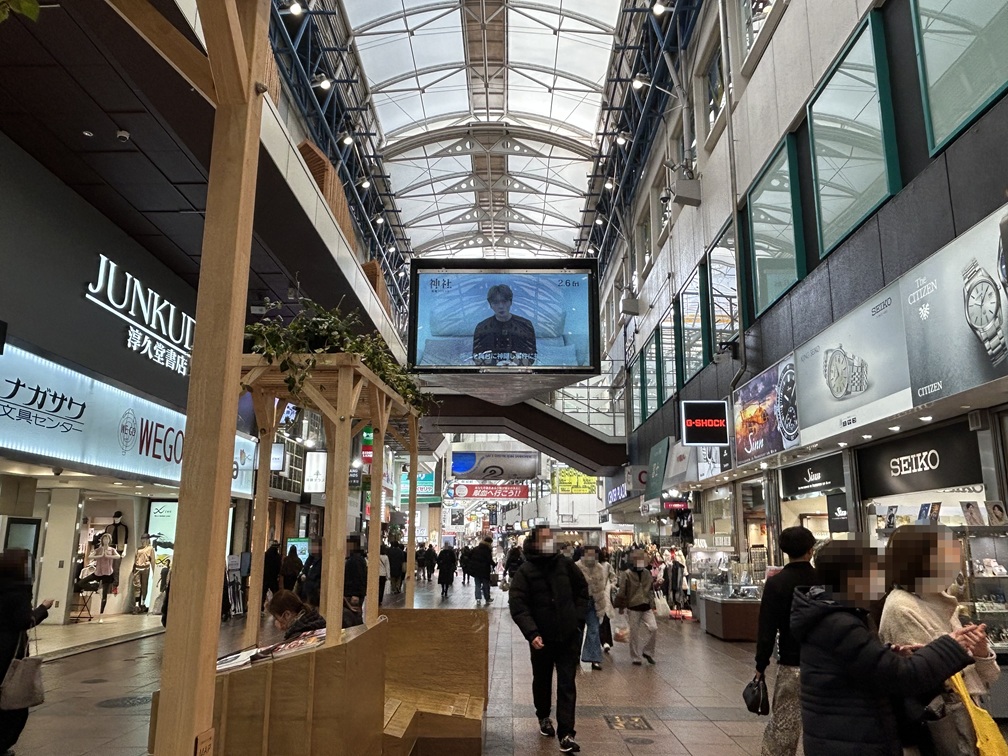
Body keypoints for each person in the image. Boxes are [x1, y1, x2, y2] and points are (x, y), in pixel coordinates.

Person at [791, 537, 985, 756]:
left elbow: (869, 666)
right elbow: (901, 676)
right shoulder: (842, 623)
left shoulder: (838, 615)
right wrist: (950, 646)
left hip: (848, 735)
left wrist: (890, 653)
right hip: (853, 739)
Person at [878, 525, 1003, 754]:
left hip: (968, 718)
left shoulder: (941, 601)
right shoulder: (902, 608)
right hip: (943, 727)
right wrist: (957, 653)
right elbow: (924, 681)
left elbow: (987, 677)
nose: (956, 563)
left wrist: (981, 652)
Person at [508, 527, 591, 754]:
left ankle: (567, 733)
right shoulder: (525, 571)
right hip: (541, 639)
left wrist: (578, 621)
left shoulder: (565, 565)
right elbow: (518, 605)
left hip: (567, 636)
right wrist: (532, 633)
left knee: (567, 683)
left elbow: (583, 591)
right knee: (542, 680)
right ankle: (543, 716)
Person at [754, 526, 817, 756]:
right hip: (824, 662)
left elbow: (766, 628)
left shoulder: (777, 583)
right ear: (811, 550)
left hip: (791, 663)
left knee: (784, 724)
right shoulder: (823, 580)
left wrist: (761, 665)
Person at [0, 550, 53, 754]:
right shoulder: (20, 590)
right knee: (13, 699)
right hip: (9, 651)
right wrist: (42, 608)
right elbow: (24, 620)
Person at [472, 283, 537, 366]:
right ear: (490, 304)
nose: (501, 306)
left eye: (504, 301)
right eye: (496, 302)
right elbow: (476, 356)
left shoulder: (525, 325)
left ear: (510, 302)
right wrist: (495, 366)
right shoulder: (481, 328)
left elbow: (531, 355)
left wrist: (515, 364)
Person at [613, 549, 658, 666]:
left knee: (653, 628)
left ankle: (647, 651)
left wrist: (652, 604)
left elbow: (650, 590)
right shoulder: (627, 574)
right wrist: (621, 606)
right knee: (634, 633)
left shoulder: (647, 573)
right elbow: (622, 591)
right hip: (633, 606)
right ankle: (635, 657)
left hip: (646, 606)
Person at [576, 545, 614, 671]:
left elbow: (602, 587)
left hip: (594, 602)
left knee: (594, 630)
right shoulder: (576, 567)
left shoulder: (599, 568)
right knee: (578, 631)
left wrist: (603, 604)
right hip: (580, 603)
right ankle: (574, 656)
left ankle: (593, 659)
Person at [598, 548, 616, 650]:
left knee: (605, 618)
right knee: (599, 619)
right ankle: (603, 641)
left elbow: (613, 577)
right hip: (596, 596)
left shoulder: (606, 565)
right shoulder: (590, 566)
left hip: (606, 594)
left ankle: (605, 641)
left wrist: (612, 585)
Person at [469, 535, 495, 605]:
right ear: (489, 542)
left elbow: (470, 557)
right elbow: (489, 559)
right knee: (485, 584)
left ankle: (478, 598)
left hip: (476, 570)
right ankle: (487, 598)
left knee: (477, 584)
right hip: (485, 570)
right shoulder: (487, 550)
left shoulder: (475, 549)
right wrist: (494, 564)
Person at [298, 539, 323, 608]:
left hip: (315, 590)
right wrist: (303, 574)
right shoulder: (310, 558)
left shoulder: (322, 559)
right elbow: (305, 568)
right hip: (307, 589)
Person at [344, 536, 368, 604]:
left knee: (352, 612)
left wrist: (355, 594)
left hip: (352, 594)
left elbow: (358, 577)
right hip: (353, 593)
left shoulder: (354, 560)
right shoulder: (358, 558)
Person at [262, 541, 282, 610]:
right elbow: (279, 567)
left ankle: (261, 607)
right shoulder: (277, 557)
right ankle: (277, 607)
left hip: (265, 576)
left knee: (263, 592)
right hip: (273, 577)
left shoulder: (265, 555)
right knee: (276, 592)